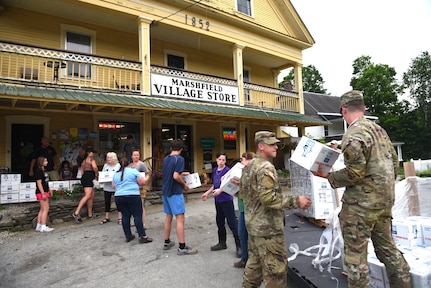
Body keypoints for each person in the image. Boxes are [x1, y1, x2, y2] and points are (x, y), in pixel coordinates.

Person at [312, 90, 411, 288]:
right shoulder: (379, 131)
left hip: (360, 208)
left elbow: (355, 174)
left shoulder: (353, 134)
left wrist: (328, 176)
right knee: (388, 250)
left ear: (343, 110)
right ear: (363, 108)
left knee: (356, 259)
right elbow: (394, 163)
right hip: (383, 203)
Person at [241, 131, 311, 288]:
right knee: (276, 274)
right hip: (268, 230)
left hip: (254, 226)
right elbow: (268, 198)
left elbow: (243, 194)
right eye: (271, 144)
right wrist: (296, 201)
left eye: (276, 143)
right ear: (261, 146)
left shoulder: (249, 165)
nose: (276, 146)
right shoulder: (266, 168)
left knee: (254, 268)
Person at [201, 151, 241, 258]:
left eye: (223, 160)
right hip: (217, 200)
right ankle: (222, 243)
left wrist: (220, 191)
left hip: (226, 200)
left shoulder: (228, 171)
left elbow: (228, 185)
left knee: (232, 223)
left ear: (226, 161)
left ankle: (239, 246)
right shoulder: (215, 170)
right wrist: (207, 193)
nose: (221, 162)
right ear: (216, 160)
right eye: (219, 159)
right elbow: (215, 185)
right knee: (219, 222)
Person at [162, 139, 197, 255]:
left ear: (171, 148)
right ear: (181, 149)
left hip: (166, 191)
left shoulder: (166, 159)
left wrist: (183, 173)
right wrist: (184, 184)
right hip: (175, 192)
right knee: (180, 218)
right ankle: (182, 246)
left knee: (168, 217)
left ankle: (166, 241)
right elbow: (176, 176)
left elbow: (171, 173)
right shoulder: (180, 159)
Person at [113, 157, 153, 243]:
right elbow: (142, 182)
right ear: (129, 163)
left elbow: (113, 186)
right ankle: (142, 236)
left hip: (119, 196)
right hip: (133, 195)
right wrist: (146, 179)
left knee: (125, 216)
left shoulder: (116, 174)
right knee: (137, 215)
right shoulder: (134, 171)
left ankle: (128, 235)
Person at [233, 152, 254, 268]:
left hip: (251, 209)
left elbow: (252, 190)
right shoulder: (243, 172)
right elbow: (240, 193)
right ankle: (245, 259)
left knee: (251, 236)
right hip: (242, 208)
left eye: (243, 160)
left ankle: (253, 261)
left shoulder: (253, 173)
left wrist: (239, 184)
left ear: (249, 160)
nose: (241, 162)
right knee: (242, 234)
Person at [72, 147, 99, 223]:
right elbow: (94, 167)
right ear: (89, 153)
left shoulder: (83, 161)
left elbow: (82, 171)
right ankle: (76, 212)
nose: (93, 154)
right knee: (87, 195)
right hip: (88, 178)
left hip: (85, 177)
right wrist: (97, 173)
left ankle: (90, 214)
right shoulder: (91, 159)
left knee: (91, 196)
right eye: (92, 152)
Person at [128, 149, 150, 228]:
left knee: (141, 205)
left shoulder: (142, 164)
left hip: (141, 187)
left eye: (137, 155)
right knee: (133, 206)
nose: (136, 156)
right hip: (132, 188)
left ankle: (143, 223)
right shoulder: (130, 165)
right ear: (132, 156)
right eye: (134, 155)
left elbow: (147, 174)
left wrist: (144, 181)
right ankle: (136, 221)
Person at [99, 152, 121, 225]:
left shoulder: (118, 166)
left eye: (110, 157)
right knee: (107, 202)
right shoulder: (105, 165)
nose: (109, 159)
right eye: (108, 157)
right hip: (107, 187)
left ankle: (120, 218)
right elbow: (102, 174)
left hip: (116, 187)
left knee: (118, 202)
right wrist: (101, 180)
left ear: (114, 158)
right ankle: (107, 217)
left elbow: (120, 175)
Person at [34, 157, 55, 232]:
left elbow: (45, 181)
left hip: (45, 190)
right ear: (41, 162)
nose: (47, 162)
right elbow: (39, 183)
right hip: (41, 192)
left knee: (42, 209)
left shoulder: (44, 171)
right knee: (46, 208)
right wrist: (43, 193)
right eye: (45, 161)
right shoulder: (38, 171)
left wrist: (49, 189)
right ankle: (43, 226)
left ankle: (39, 225)